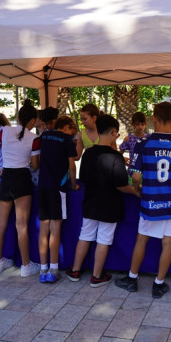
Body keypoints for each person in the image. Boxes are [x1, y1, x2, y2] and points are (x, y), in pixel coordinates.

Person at [115, 102, 171, 299]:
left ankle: (132, 279)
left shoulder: (144, 144)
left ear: (154, 119)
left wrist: (137, 190)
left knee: (142, 237)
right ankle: (158, 284)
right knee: (168, 242)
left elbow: (134, 175)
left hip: (150, 202)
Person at [65, 115, 138, 287]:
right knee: (104, 239)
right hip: (110, 205)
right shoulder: (116, 157)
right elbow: (121, 185)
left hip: (90, 202)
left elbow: (82, 177)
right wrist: (135, 191)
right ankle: (96, 276)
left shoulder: (88, 153)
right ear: (113, 132)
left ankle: (75, 270)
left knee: (85, 235)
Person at [0, 103, 41, 277]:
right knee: (22, 225)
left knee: (0, 223)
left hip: (6, 178)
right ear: (33, 120)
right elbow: (34, 165)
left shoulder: (5, 131)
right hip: (22, 179)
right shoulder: (34, 138)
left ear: (18, 117)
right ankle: (26, 266)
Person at [36, 115, 79, 283]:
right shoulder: (67, 139)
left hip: (42, 186)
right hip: (57, 188)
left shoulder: (44, 136)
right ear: (67, 126)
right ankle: (54, 269)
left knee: (43, 228)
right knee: (55, 228)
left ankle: (43, 269)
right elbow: (72, 165)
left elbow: (38, 159)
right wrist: (74, 184)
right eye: (72, 129)